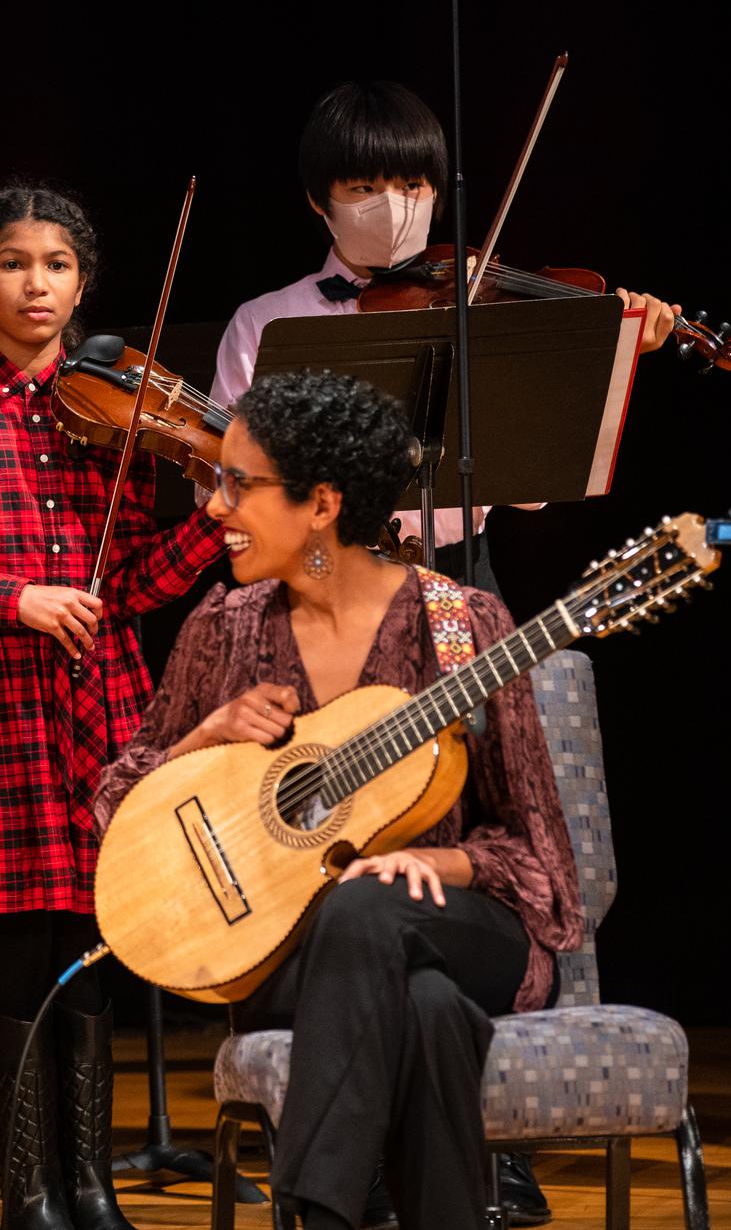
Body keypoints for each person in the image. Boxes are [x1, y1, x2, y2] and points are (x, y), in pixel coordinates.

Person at [93, 368, 584, 1230]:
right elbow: (116, 803)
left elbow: (541, 854)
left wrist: (436, 859)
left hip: (460, 922)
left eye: (239, 484)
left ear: (322, 504)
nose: (213, 507)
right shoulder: (227, 629)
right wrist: (203, 739)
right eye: (216, 481)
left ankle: (314, 1214)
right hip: (280, 948)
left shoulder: (458, 625)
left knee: (366, 909)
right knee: (426, 1008)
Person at [0, 183, 224, 1230]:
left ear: (83, 282)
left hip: (106, 700)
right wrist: (9, 595)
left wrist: (212, 512)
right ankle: (30, 1189)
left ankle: (94, 1182)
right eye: (16, 263)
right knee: (20, 947)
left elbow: (144, 581)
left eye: (57, 264)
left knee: (96, 942)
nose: (37, 283)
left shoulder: (122, 410)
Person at [210, 79, 679, 597]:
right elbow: (214, 485)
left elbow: (532, 485)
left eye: (412, 186)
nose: (392, 206)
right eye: (364, 189)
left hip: (463, 580)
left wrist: (609, 354)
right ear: (319, 200)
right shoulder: (264, 322)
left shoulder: (476, 302)